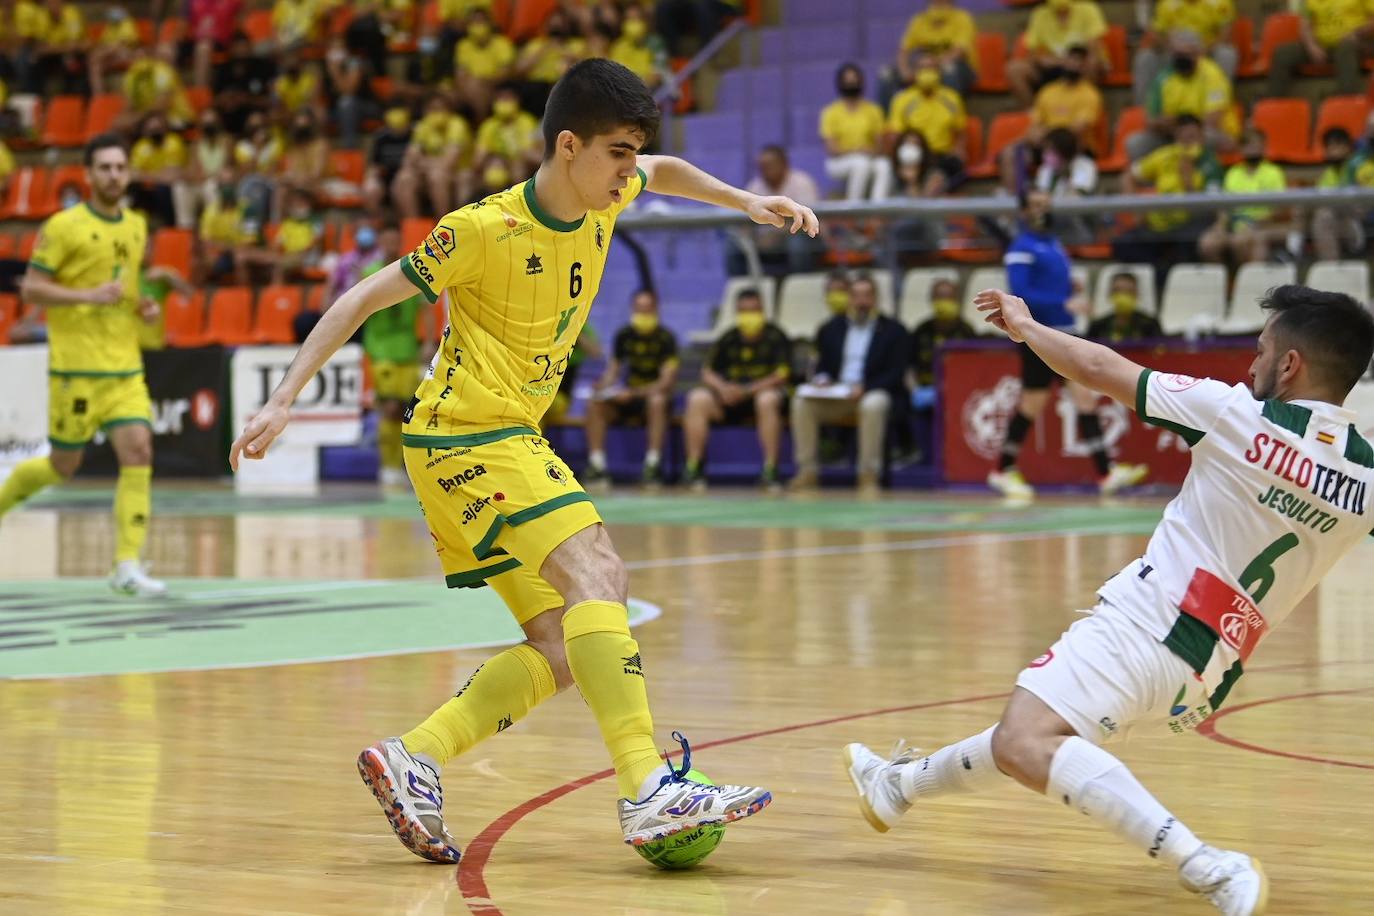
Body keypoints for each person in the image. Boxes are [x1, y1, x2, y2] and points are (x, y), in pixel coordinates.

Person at [229, 58, 816, 863]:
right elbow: (364, 296)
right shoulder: (483, 229)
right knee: (599, 575)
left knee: (559, 646)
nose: (628, 172)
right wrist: (284, 396)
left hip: (497, 438)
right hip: (467, 436)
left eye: (631, 155)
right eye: (616, 154)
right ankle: (647, 790)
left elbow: (665, 170)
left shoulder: (612, 188)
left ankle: (415, 757)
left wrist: (746, 201)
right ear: (567, 145)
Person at [846, 282, 1374, 916]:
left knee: (1026, 740)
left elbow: (1098, 368)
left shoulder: (1237, 415)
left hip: (1148, 624)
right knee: (1038, 731)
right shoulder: (1366, 476)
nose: (1251, 364)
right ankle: (897, 786)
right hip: (1213, 666)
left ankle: (1208, 866)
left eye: (1261, 351)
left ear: (1290, 365)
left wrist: (1025, 328)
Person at [0, 134, 163, 597]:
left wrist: (141, 308)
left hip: (125, 368)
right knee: (61, 466)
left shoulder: (135, 226)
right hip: (76, 371)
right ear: (89, 175)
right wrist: (85, 296)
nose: (114, 175)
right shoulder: (63, 227)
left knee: (139, 451)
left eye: (120, 167)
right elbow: (30, 289)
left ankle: (126, 565)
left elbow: (124, 288)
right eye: (105, 168)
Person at [990, 190, 1148, 498]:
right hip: (1039, 333)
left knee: (1085, 398)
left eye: (1046, 205)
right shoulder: (1021, 247)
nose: (1043, 211)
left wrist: (1068, 287)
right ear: (1023, 212)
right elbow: (1019, 293)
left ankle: (1105, 474)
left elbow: (1049, 283)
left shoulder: (1053, 244)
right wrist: (1066, 301)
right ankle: (1001, 470)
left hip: (1062, 331)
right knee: (1033, 403)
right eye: (1036, 205)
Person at [790, 273, 908, 493]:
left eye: (867, 295)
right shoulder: (831, 328)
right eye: (856, 296)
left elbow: (896, 373)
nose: (862, 302)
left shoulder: (894, 331)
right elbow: (823, 366)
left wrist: (865, 387)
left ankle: (868, 474)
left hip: (873, 392)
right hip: (839, 394)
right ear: (849, 299)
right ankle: (807, 471)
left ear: (876, 298)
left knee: (873, 404)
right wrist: (822, 380)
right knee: (801, 402)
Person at [681, 288, 792, 489]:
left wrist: (748, 390)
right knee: (697, 398)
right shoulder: (728, 338)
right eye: (745, 311)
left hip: (760, 397)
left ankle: (771, 469)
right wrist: (723, 388)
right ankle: (694, 466)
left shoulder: (776, 336)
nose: (750, 316)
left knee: (767, 399)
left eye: (754, 310)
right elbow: (707, 372)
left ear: (763, 310)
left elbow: (781, 375)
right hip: (729, 399)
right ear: (737, 313)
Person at [1113, 115, 1221, 287]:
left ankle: (1177, 289)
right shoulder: (1165, 155)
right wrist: (1137, 209)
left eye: (1192, 138)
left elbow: (1209, 209)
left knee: (1188, 247)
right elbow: (1129, 176)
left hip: (1192, 224)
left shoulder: (1210, 165)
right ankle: (1157, 285)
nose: (1187, 144)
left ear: (1202, 138)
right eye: (1182, 138)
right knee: (1124, 244)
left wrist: (1188, 183)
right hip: (1159, 225)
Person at [585, 289, 680, 485]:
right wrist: (602, 386)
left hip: (651, 399)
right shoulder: (624, 335)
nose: (643, 313)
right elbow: (613, 370)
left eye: (647, 309)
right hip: (627, 398)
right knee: (595, 403)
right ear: (632, 309)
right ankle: (597, 465)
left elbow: (666, 382)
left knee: (657, 401)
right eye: (639, 308)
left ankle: (653, 465)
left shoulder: (666, 339)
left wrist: (634, 393)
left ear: (656, 309)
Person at [361, 226, 430, 488]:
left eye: (394, 239)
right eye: (386, 239)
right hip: (381, 350)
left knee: (405, 410)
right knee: (389, 408)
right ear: (380, 241)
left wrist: (428, 341)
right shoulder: (370, 273)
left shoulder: (414, 268)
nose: (390, 244)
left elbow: (424, 307)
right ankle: (387, 465)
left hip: (407, 350)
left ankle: (401, 466)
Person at [1128, 30, 1238, 161]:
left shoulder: (1213, 76)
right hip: (1172, 134)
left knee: (1201, 136)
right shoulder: (1163, 78)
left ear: (1199, 54)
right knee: (1136, 144)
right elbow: (1150, 121)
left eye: (1187, 55)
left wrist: (1179, 126)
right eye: (1177, 55)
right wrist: (1160, 123)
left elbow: (1212, 121)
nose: (1181, 59)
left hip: (1208, 134)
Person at [727, 145, 822, 276]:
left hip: (792, 236)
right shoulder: (755, 186)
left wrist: (775, 235)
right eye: (762, 166)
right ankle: (744, 288)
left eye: (769, 165)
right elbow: (744, 221)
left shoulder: (802, 182)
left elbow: (808, 220)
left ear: (784, 164)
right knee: (733, 244)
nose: (765, 170)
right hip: (761, 240)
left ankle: (800, 281)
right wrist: (747, 236)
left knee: (798, 243)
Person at [1198, 128, 1288, 265]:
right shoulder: (1233, 173)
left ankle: (1241, 281)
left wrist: (1254, 223)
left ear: (1263, 147)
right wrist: (1220, 226)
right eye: (1247, 145)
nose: (1252, 150)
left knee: (1239, 241)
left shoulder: (1273, 172)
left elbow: (1280, 209)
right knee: (1208, 243)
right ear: (1241, 149)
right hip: (1233, 225)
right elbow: (1224, 206)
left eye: (1255, 145)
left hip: (1261, 225)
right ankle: (1223, 281)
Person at [885, 54, 968, 196]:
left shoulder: (952, 98)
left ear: (939, 71)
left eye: (931, 68)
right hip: (914, 154)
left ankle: (924, 203)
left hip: (941, 155)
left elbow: (960, 131)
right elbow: (895, 135)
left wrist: (959, 149)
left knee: (946, 170)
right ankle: (916, 199)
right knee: (906, 166)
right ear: (915, 72)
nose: (927, 72)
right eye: (922, 68)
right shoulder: (903, 99)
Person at [1132, 0, 1237, 105]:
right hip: (1174, 51)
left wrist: (1204, 50)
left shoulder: (1219, 3)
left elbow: (1225, 35)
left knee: (1226, 54)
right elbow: (1158, 35)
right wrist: (1171, 47)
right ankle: (1143, 110)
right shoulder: (1167, 4)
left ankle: (1221, 104)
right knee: (1145, 58)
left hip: (1207, 51)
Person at [1008, 0, 1108, 107]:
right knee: (1014, 69)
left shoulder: (1088, 9)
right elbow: (1033, 53)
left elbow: (1093, 48)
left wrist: (1074, 61)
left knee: (1093, 61)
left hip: (1080, 64)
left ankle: (1083, 107)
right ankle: (1036, 114)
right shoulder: (1039, 14)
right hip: (1054, 67)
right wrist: (1057, 61)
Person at [1269, 0, 1374, 96]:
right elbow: (1304, 25)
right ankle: (1272, 106)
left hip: (1359, 42)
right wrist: (1312, 46)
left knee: (1346, 48)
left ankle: (1347, 103)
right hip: (1323, 45)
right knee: (1282, 53)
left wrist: (1356, 34)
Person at [821, 63, 892, 202]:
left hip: (868, 156)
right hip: (839, 161)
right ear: (840, 83)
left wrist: (870, 151)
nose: (851, 84)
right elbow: (832, 149)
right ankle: (853, 210)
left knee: (884, 165)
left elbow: (880, 145)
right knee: (860, 163)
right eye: (847, 80)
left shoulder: (873, 110)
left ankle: (877, 212)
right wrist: (856, 151)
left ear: (861, 82)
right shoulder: (831, 112)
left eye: (854, 80)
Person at [908, 277, 977, 410]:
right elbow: (909, 367)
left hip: (958, 391)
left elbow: (975, 367)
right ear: (932, 300)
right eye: (940, 297)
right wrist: (914, 390)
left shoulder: (966, 331)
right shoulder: (921, 331)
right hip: (927, 390)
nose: (944, 302)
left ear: (957, 301)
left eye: (949, 297)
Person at [1310, 126, 1374, 261]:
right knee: (1321, 214)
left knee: (1324, 215)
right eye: (1329, 147)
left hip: (1361, 217)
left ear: (1348, 147)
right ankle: (1329, 267)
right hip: (1339, 219)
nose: (1333, 151)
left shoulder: (1362, 166)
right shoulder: (1328, 173)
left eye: (1338, 145)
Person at [891, 0, 977, 98]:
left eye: (942, 3)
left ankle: (952, 111)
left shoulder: (963, 18)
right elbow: (903, 50)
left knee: (950, 70)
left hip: (959, 68)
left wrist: (935, 62)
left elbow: (959, 52)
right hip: (925, 66)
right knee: (887, 74)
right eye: (935, 3)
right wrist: (904, 70)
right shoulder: (919, 20)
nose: (937, 5)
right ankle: (889, 112)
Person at [1029, 45, 1102, 152]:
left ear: (1085, 67)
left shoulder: (1090, 94)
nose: (1074, 64)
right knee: (1013, 152)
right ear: (1063, 61)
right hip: (1045, 145)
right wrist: (1036, 135)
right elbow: (1035, 125)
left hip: (1075, 147)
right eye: (1071, 59)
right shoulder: (1047, 91)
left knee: (1064, 143)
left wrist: (1046, 134)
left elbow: (1077, 129)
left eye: (1079, 61)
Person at [1086, 271, 1163, 341]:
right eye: (1117, 291)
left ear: (1137, 294)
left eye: (1129, 291)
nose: (1123, 295)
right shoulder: (1098, 326)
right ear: (1110, 294)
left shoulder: (1150, 324)